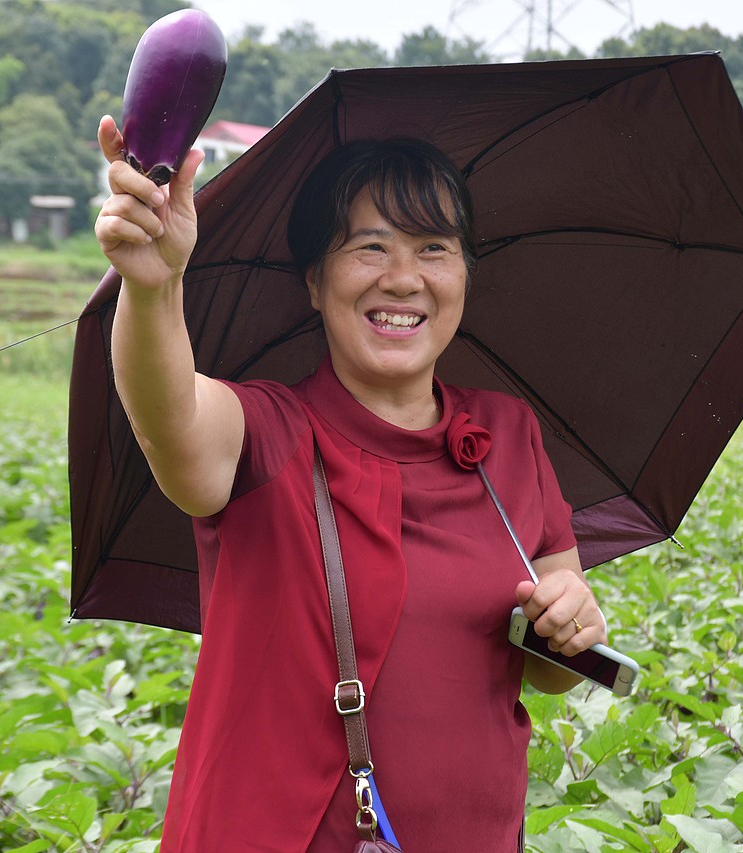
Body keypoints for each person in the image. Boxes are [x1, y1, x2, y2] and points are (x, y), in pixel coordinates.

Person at [94, 114, 607, 852]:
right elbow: (170, 418)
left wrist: (576, 625)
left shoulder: (510, 437)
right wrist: (154, 285)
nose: (404, 278)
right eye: (370, 247)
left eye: (435, 248)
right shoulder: (267, 432)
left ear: (465, 272)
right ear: (314, 281)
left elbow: (552, 669)